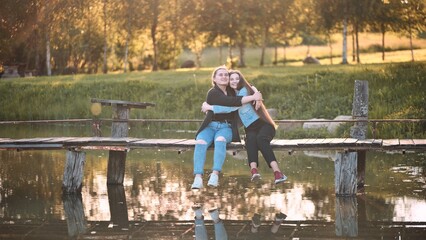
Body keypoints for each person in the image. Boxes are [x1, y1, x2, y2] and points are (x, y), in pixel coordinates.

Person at [202, 69, 287, 184]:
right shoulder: (232, 95)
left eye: (237, 78)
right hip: (250, 128)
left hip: (264, 125)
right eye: (231, 79)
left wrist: (210, 107)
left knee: (261, 139)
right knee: (250, 140)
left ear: (241, 79)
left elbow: (232, 107)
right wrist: (256, 94)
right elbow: (236, 98)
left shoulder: (244, 91)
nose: (234, 81)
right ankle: (254, 171)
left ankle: (278, 173)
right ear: (228, 82)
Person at [192, 66, 263, 189]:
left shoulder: (232, 90)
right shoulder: (212, 93)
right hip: (210, 127)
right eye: (220, 75)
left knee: (220, 140)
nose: (224, 77)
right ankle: (198, 177)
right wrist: (253, 98)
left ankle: (215, 174)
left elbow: (247, 85)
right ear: (214, 79)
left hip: (226, 127)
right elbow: (231, 102)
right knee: (201, 142)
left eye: (226, 75)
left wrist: (257, 96)